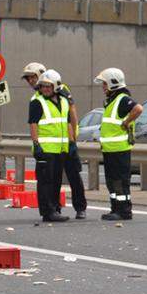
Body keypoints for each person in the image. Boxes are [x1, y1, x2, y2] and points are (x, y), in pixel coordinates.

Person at [94, 67, 143, 221]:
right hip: (110, 150)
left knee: (120, 181)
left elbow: (138, 108)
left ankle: (124, 211)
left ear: (112, 83)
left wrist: (126, 122)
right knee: (112, 181)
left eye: (104, 84)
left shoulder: (121, 98)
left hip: (119, 150)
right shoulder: (113, 101)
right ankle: (115, 208)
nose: (103, 87)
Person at [28, 69, 71, 223]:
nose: (45, 89)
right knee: (46, 182)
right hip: (45, 149)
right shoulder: (37, 102)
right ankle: (48, 211)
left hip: (59, 149)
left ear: (56, 87)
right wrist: (36, 144)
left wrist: (71, 142)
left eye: (48, 86)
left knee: (56, 181)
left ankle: (55, 208)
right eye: (43, 86)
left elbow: (67, 123)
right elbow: (33, 124)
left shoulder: (64, 101)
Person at [54, 77, 88, 219]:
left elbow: (72, 111)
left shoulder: (61, 90)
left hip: (67, 141)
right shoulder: (39, 95)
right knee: (54, 177)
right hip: (54, 143)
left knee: (73, 175)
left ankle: (80, 207)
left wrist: (73, 136)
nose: (30, 81)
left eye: (33, 77)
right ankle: (55, 208)